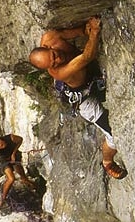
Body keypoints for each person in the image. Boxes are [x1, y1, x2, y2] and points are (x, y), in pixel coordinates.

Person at [29, 16, 127, 179]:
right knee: (113, 135)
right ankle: (107, 161)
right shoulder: (58, 72)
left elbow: (78, 31)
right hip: (83, 97)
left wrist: (87, 28)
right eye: (53, 63)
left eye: (54, 55)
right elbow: (86, 57)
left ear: (47, 46)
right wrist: (94, 32)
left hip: (89, 75)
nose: (58, 59)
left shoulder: (49, 37)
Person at [0, 133, 35, 207]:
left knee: (24, 178)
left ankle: (33, 186)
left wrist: (14, 153)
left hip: (14, 156)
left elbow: (20, 140)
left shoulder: (11, 138)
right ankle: (2, 200)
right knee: (11, 179)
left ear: (1, 139)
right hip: (4, 160)